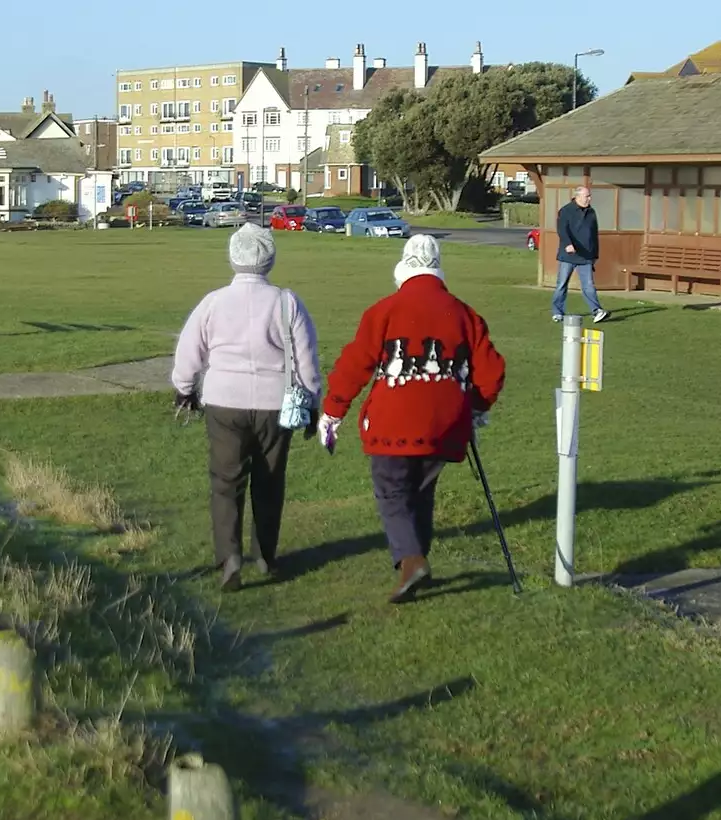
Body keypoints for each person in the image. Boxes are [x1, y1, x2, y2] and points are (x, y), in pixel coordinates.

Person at [318, 235, 506, 603]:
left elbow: (355, 365)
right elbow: (491, 370)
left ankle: (411, 559)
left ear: (404, 267)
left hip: (394, 420)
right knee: (422, 491)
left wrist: (333, 410)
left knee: (391, 490)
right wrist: (476, 408)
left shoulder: (384, 311)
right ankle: (418, 560)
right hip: (446, 421)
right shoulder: (465, 314)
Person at [172, 223, 322, 592]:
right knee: (270, 482)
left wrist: (184, 388)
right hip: (275, 404)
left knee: (226, 481)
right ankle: (266, 556)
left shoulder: (214, 301)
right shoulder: (287, 302)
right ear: (270, 258)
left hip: (224, 401)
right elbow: (306, 360)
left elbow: (190, 350)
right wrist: (313, 401)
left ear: (232, 256)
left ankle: (229, 557)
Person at [553, 184, 609, 323]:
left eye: (589, 196)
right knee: (562, 284)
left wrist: (595, 254)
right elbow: (562, 230)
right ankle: (557, 311)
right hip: (568, 255)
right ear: (578, 196)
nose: (589, 199)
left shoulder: (591, 212)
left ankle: (596, 311)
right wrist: (568, 244)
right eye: (586, 196)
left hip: (586, 256)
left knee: (589, 285)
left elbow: (593, 234)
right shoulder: (566, 211)